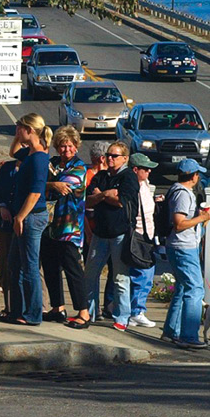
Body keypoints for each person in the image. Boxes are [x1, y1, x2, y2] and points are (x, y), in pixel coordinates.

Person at [84, 141, 138, 331]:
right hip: (100, 233)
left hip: (120, 234)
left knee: (120, 277)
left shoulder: (128, 177)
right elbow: (88, 200)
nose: (110, 159)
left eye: (115, 156)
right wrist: (105, 195)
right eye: (108, 155)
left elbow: (122, 202)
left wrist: (102, 196)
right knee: (90, 274)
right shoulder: (101, 176)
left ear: (124, 158)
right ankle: (89, 312)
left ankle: (122, 317)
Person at [3, 113, 51, 326]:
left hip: (31, 216)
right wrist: (18, 137)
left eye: (19, 128)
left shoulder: (40, 157)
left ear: (30, 130)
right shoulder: (29, 153)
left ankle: (33, 313)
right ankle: (17, 310)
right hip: (21, 216)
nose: (16, 131)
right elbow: (13, 152)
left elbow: (36, 192)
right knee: (15, 263)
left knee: (29, 266)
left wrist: (20, 216)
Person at [41, 126, 90, 329]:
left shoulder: (79, 167)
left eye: (70, 145)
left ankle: (83, 313)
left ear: (76, 146)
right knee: (50, 267)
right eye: (62, 145)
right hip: (50, 225)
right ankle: (57, 308)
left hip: (70, 227)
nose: (66, 149)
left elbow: (65, 187)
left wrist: (48, 184)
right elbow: (40, 182)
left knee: (73, 270)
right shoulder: (52, 163)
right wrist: (50, 185)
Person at [162, 159, 210, 349]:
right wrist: (202, 217)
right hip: (183, 247)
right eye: (197, 174)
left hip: (179, 246)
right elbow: (179, 223)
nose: (198, 177)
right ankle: (189, 335)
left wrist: (198, 216)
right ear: (193, 176)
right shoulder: (183, 194)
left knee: (183, 288)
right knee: (195, 288)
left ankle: (171, 331)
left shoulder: (178, 191)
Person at [127, 152, 160, 328]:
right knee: (142, 275)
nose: (148, 172)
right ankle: (136, 312)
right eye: (145, 169)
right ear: (135, 169)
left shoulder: (145, 184)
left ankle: (135, 310)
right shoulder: (133, 187)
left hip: (147, 236)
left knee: (144, 274)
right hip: (138, 235)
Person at [0, 152, 22, 317]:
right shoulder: (7, 168)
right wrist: (1, 206)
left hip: (24, 225)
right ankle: (8, 307)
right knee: (4, 265)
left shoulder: (35, 166)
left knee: (25, 268)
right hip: (5, 225)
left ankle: (29, 308)